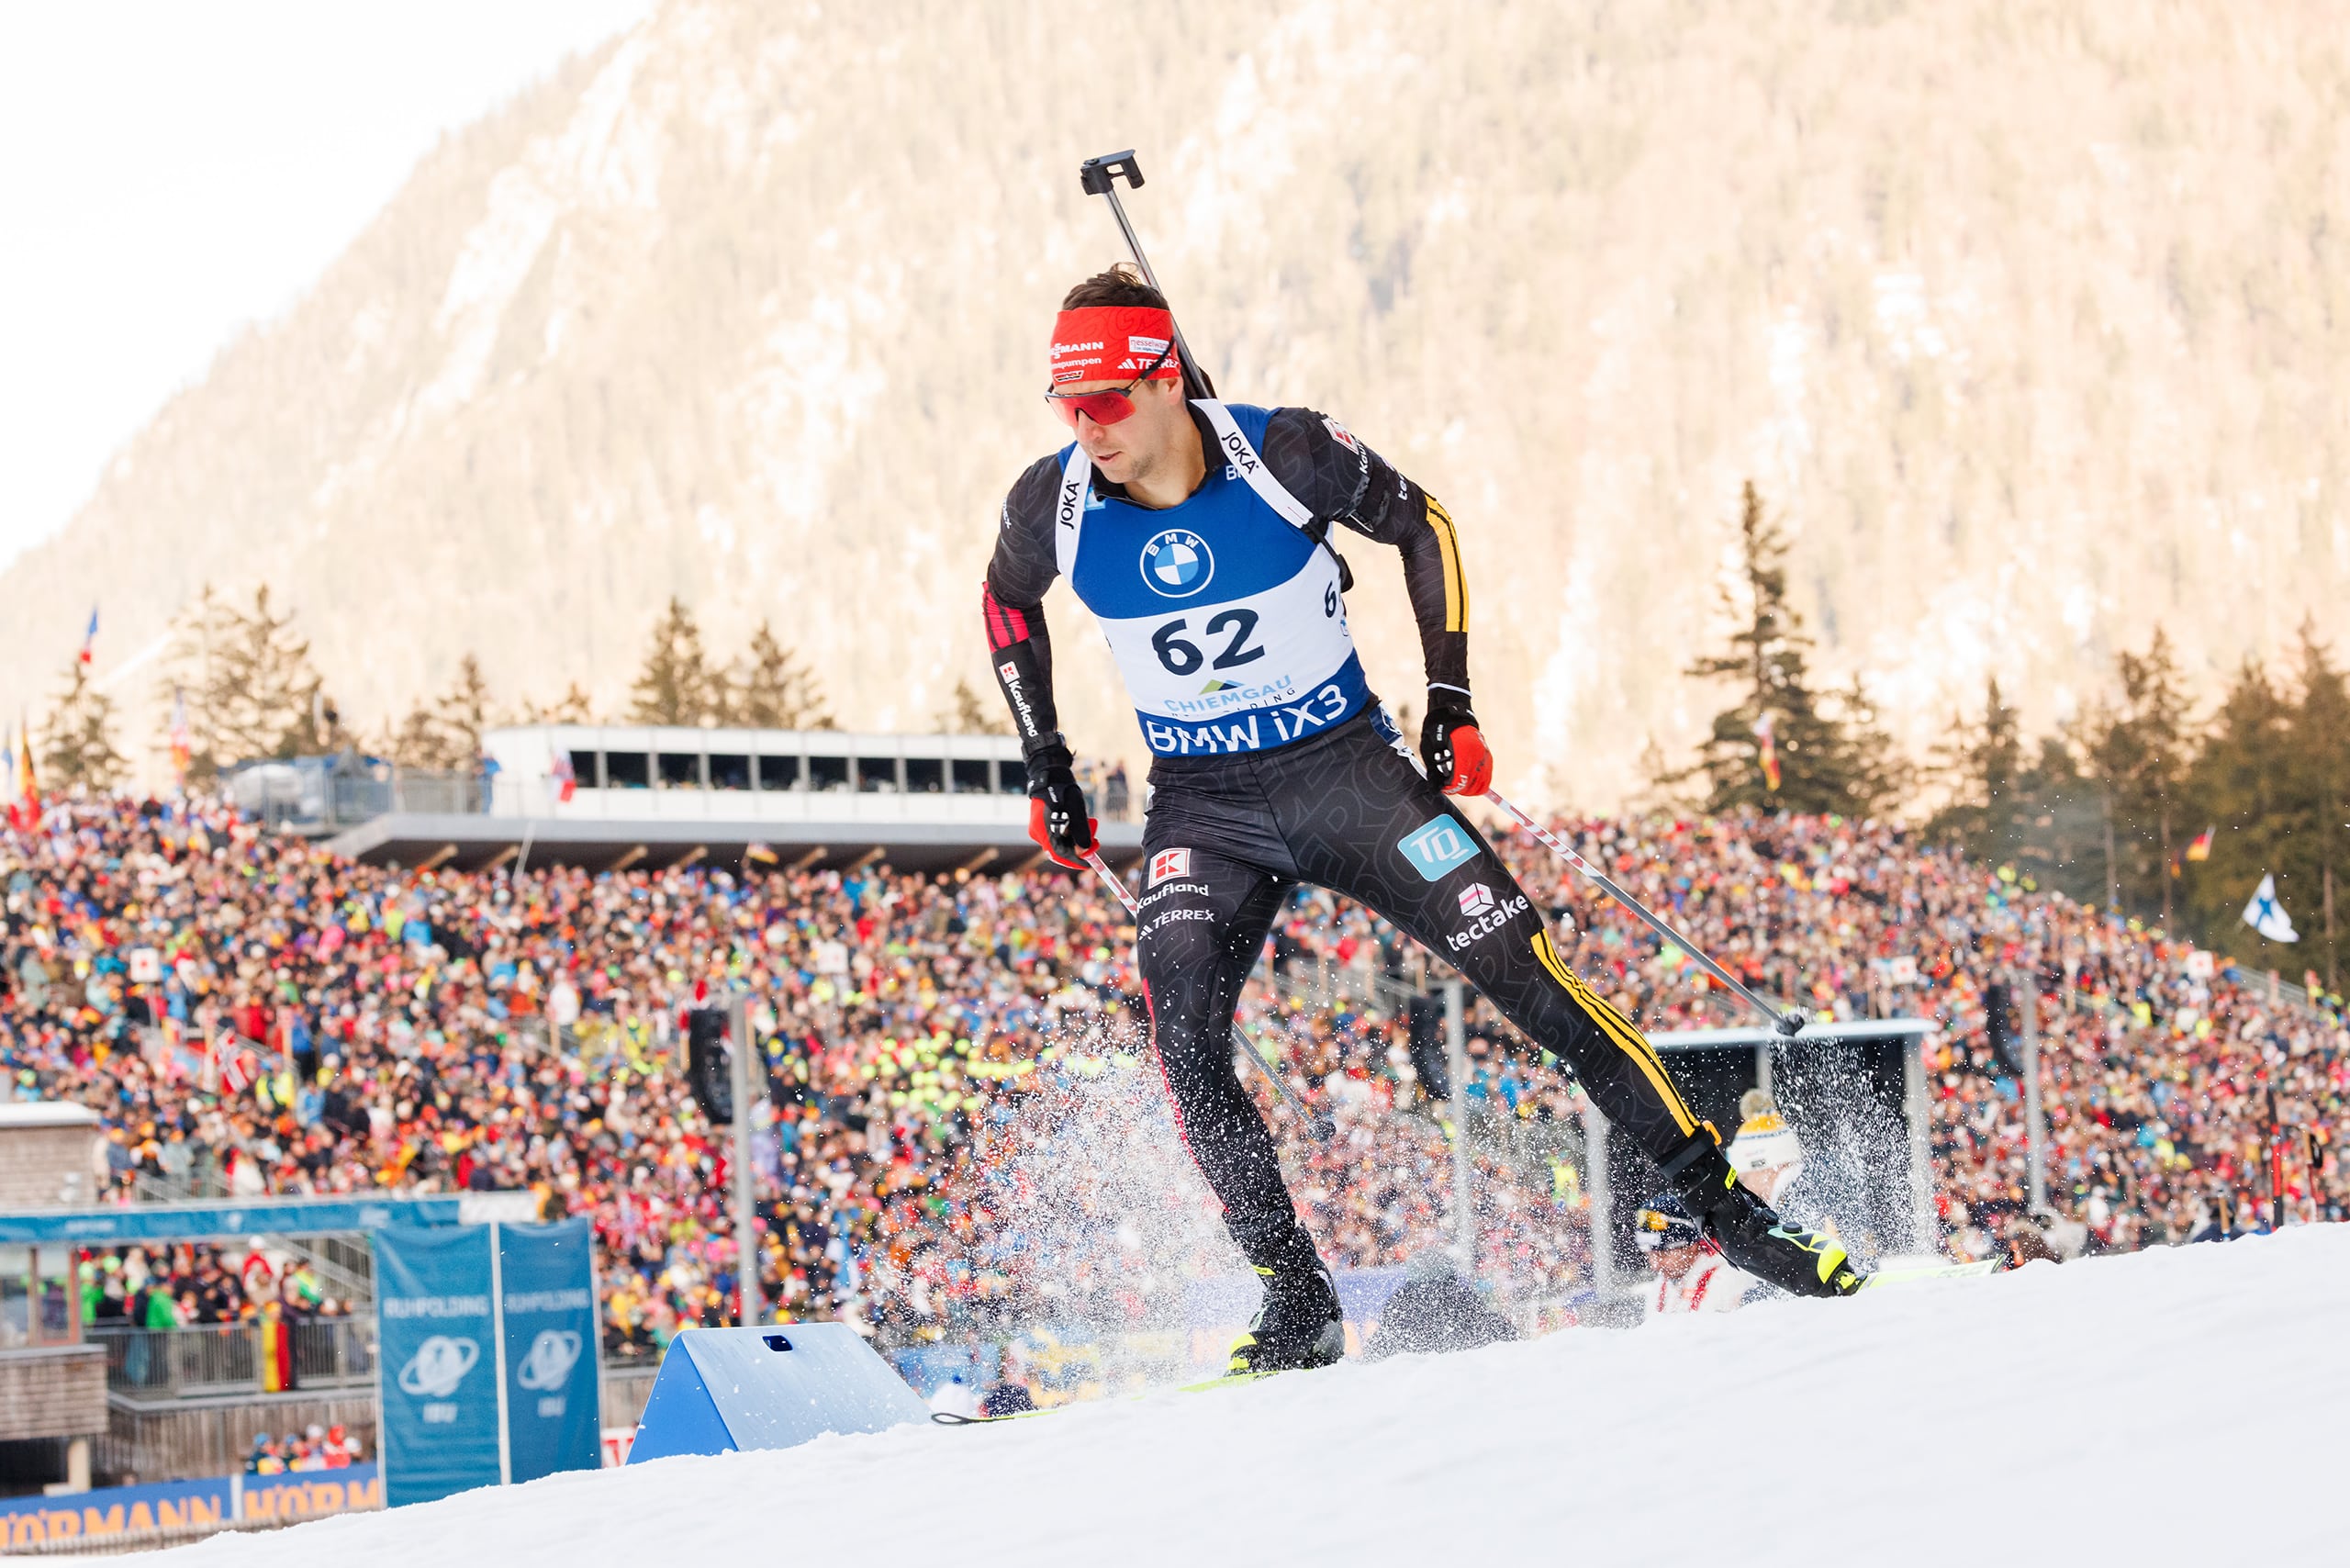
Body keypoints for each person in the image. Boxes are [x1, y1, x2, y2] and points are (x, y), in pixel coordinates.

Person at [982, 265, 1866, 1373]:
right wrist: (1045, 757)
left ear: (1165, 381)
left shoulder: (1282, 452)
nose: (1085, 427)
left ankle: (1733, 1217)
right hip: (1203, 802)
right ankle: (1295, 1295)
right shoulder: (1051, 502)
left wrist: (1449, 697)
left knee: (1528, 975)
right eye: (1066, 404)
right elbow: (1004, 600)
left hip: (1345, 772)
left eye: (1106, 401)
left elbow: (1423, 523)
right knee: (1181, 1028)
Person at [1635, 1194, 1752, 1316]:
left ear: (1693, 1246)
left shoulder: (1730, 1279)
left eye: (1663, 1254)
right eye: (1649, 1255)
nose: (1655, 1265)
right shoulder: (1661, 1285)